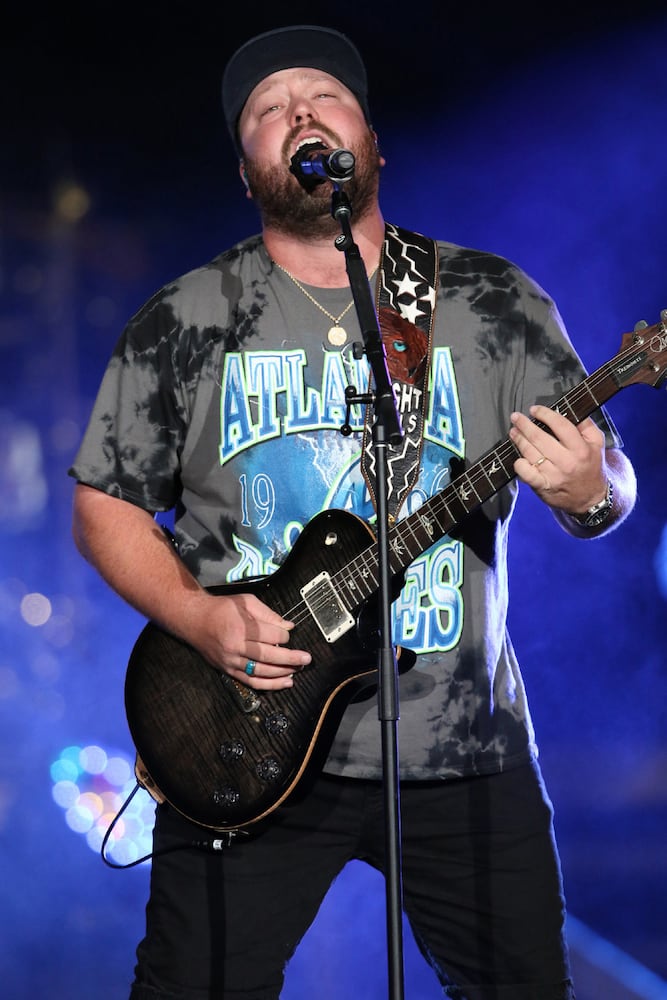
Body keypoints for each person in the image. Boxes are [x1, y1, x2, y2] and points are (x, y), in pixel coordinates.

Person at [69, 23, 637, 1000]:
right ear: (246, 171)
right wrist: (201, 619)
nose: (297, 112)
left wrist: (590, 492)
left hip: (461, 746)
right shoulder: (187, 317)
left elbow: (609, 485)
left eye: (323, 96)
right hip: (234, 741)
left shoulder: (489, 302)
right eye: (265, 108)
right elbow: (102, 508)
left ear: (372, 142)